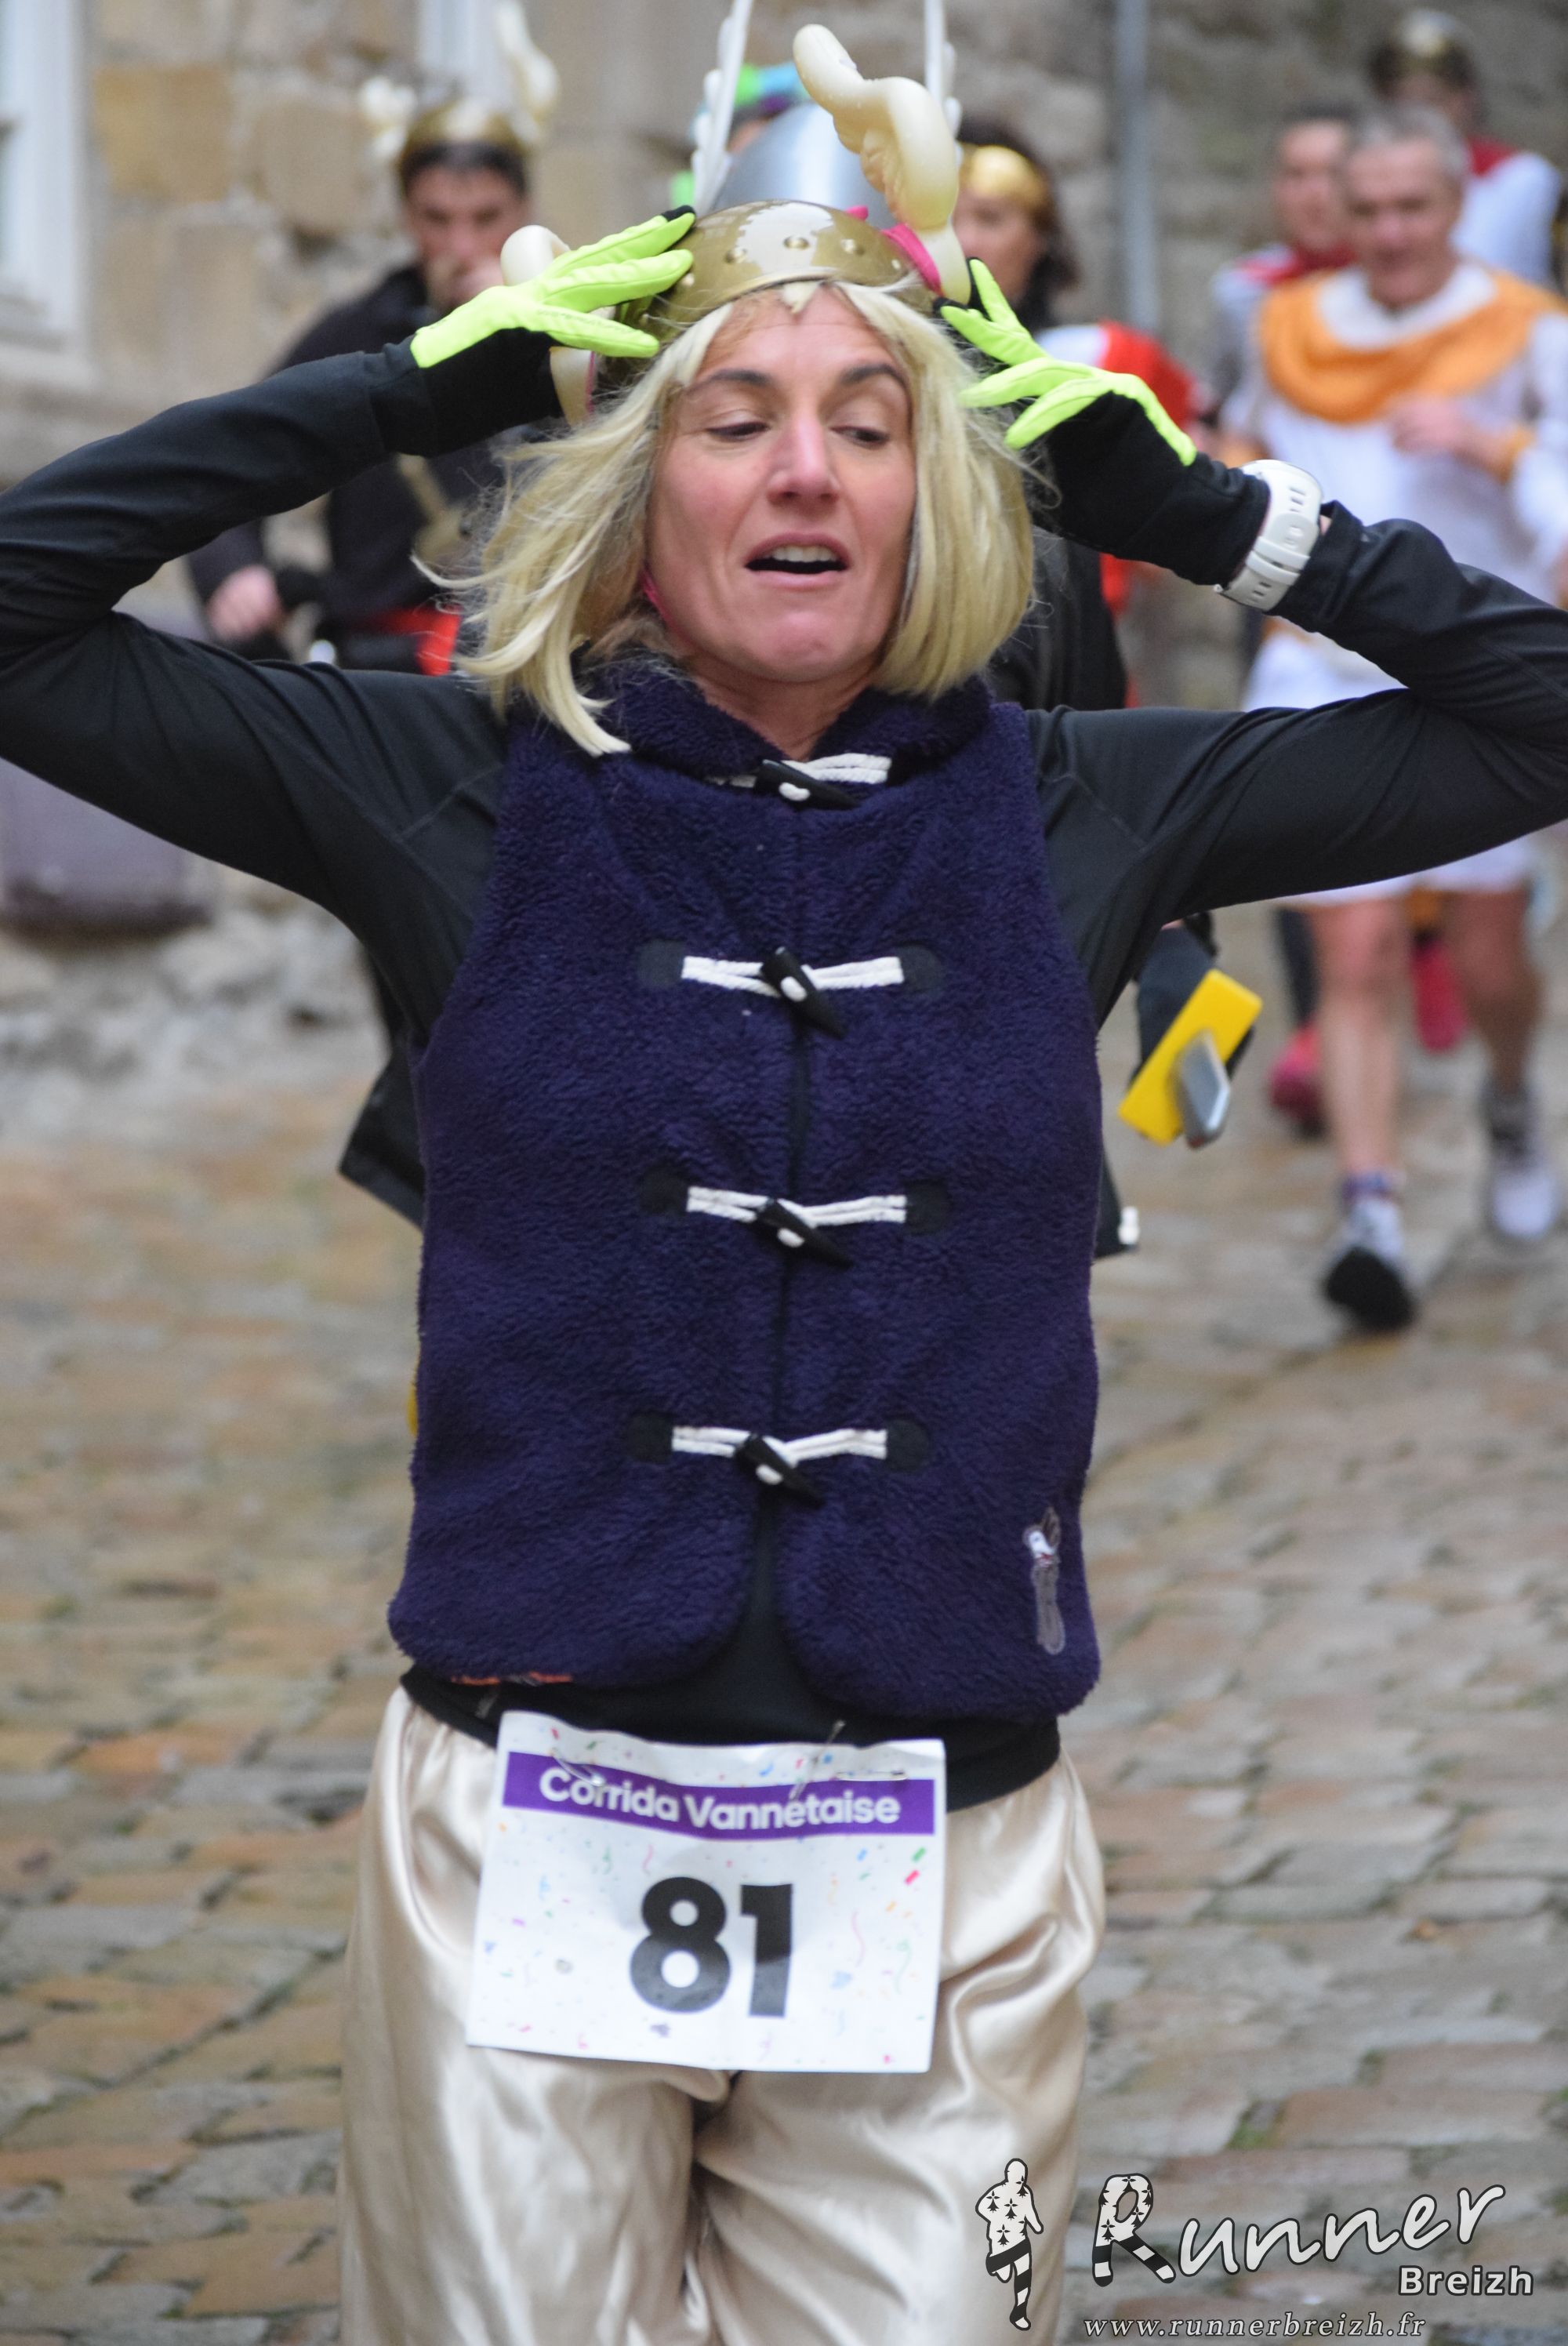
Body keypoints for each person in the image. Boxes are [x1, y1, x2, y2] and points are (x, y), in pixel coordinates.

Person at [7, 146, 1568, 2341]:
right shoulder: (451, 781)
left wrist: (1204, 508)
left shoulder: (1082, 797)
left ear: (943, 494)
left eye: (868, 422)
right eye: (732, 420)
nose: (805, 469)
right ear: (634, 493)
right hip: (524, 1805)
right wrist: (410, 384)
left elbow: (1535, 711)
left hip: (945, 1830)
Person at [1227, 104, 1568, 1330]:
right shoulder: (1289, 324)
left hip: (1476, 673)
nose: (1387, 231)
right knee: (1357, 949)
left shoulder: (1526, 329)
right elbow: (1254, 448)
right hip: (1320, 664)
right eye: (1364, 208)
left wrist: (1496, 446)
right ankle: (1368, 1207)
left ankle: (1511, 1099)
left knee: (1487, 958)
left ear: (1455, 206)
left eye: (1412, 206)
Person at [1369, 8, 1563, 285]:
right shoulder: (1361, 184)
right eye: (1403, 102)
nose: (1418, 116)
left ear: (1465, 99)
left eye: (1431, 100)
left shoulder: (1523, 178)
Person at [1207, 100, 1358, 419]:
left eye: (1334, 174)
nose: (1315, 194)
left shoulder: (1402, 283)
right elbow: (1222, 401)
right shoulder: (1242, 288)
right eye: (1296, 175)